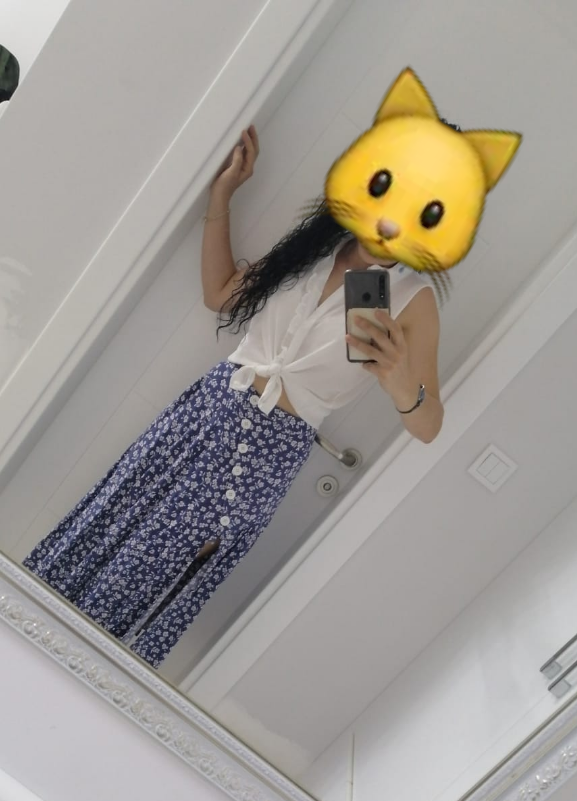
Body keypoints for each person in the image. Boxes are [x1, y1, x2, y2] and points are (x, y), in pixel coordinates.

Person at [23, 125, 444, 668]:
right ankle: (13, 624)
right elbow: (221, 295)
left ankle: (67, 674)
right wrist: (222, 195)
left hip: (261, 458)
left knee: (147, 575)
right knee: (110, 521)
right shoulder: (314, 248)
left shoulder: (412, 298)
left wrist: (398, 380)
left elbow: (428, 425)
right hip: (204, 411)